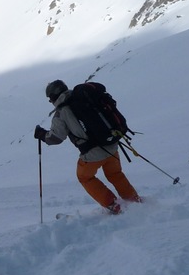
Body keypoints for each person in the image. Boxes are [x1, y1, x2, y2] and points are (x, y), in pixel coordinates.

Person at [34, 80, 141, 215]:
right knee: (115, 174)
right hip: (111, 144)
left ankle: (113, 205)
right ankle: (134, 201)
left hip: (92, 153)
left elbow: (55, 138)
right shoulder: (86, 98)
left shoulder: (62, 111)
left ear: (54, 96)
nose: (50, 101)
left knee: (85, 177)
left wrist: (41, 134)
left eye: (50, 99)